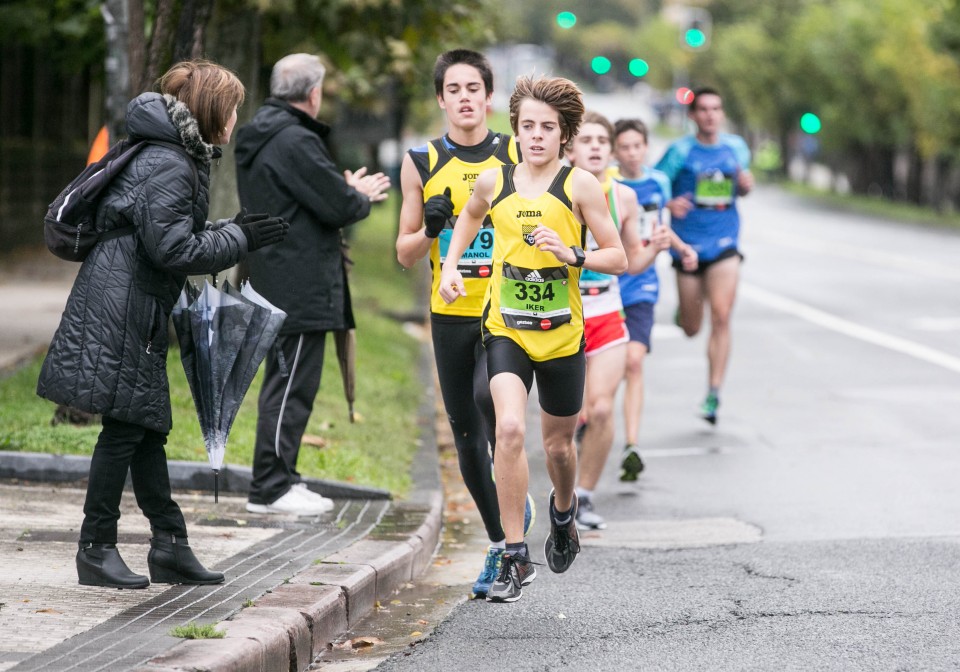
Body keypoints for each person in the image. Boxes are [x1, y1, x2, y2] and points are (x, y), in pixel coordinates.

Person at [37, 60, 290, 589]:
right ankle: (95, 549)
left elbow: (167, 232)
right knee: (125, 431)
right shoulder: (171, 161)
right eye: (234, 106)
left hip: (130, 300)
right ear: (213, 110)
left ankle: (170, 545)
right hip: (123, 305)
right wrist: (239, 239)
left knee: (147, 430)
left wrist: (232, 230)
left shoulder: (171, 155)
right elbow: (173, 247)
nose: (237, 115)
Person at [439, 76, 627, 603]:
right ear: (515, 130)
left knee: (560, 447)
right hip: (507, 330)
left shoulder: (580, 186)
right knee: (512, 427)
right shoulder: (492, 182)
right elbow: (468, 223)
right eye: (528, 127)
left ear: (565, 134)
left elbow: (619, 256)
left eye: (548, 127)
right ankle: (515, 555)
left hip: (563, 336)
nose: (537, 136)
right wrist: (450, 269)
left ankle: (562, 513)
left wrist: (574, 255)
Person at [395, 49, 533, 598]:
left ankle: (511, 493)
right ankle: (501, 542)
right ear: (441, 99)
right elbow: (404, 254)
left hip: (502, 311)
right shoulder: (421, 161)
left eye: (474, 87)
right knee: (466, 436)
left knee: (490, 405)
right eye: (454, 89)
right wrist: (430, 229)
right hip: (449, 313)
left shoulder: (514, 152)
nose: (465, 98)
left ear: (489, 95)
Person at [235, 53, 391, 516]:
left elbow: (312, 197)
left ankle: (284, 476)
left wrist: (341, 192)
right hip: (297, 281)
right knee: (289, 385)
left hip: (274, 271)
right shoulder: (295, 140)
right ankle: (270, 487)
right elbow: (338, 205)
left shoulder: (263, 132)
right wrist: (356, 195)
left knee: (289, 382)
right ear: (314, 93)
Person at [564, 111, 670, 530]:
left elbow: (628, 262)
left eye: (600, 141)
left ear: (609, 150)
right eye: (585, 139)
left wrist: (655, 249)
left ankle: (584, 497)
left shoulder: (624, 197)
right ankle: (564, 495)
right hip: (564, 312)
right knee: (572, 414)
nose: (593, 147)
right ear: (569, 149)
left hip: (607, 310)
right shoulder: (555, 191)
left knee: (602, 408)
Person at [655, 87, 753, 424]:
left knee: (723, 316)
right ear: (694, 115)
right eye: (704, 109)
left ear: (721, 113)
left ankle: (713, 393)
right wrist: (668, 203)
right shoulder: (679, 151)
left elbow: (743, 186)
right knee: (693, 328)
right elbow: (652, 185)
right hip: (687, 245)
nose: (711, 114)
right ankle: (686, 312)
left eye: (716, 108)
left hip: (725, 241)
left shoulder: (736, 147)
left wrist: (745, 184)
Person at [611, 118, 697, 479]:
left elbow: (661, 229)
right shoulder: (606, 185)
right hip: (606, 285)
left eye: (637, 146)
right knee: (601, 366)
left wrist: (681, 247)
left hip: (643, 284)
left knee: (633, 361)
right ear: (616, 151)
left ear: (646, 147)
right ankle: (588, 415)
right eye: (625, 147)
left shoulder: (658, 182)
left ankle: (631, 443)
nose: (632, 153)